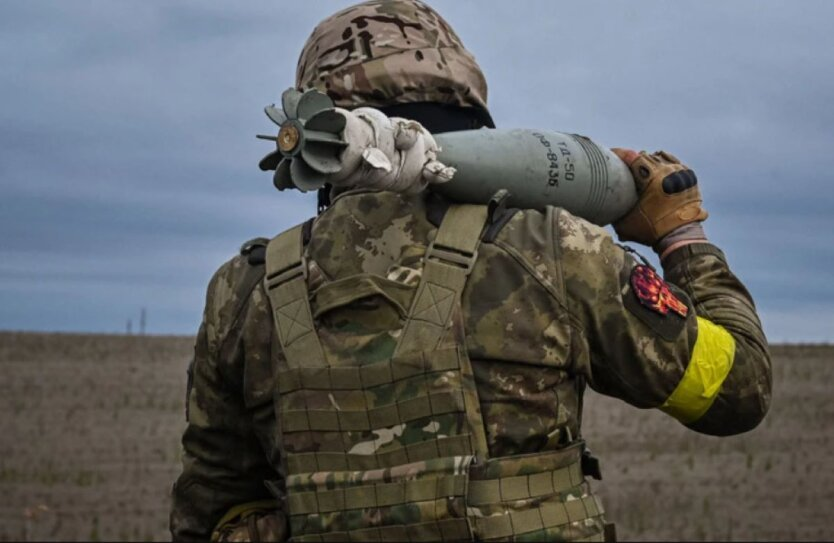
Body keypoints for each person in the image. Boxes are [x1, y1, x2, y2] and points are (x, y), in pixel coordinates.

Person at [170, 1, 772, 541]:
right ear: (467, 105)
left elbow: (212, 506)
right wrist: (681, 234)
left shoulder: (245, 288)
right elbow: (735, 392)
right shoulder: (551, 249)